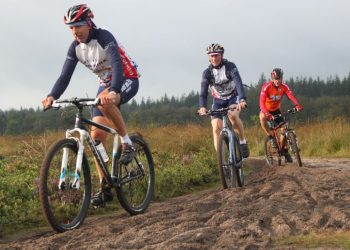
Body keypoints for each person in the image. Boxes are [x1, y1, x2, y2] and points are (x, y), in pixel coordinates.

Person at [41, 4, 140, 206]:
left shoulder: (104, 37)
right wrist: (52, 95)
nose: (75, 31)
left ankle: (127, 143)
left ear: (88, 24)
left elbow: (117, 64)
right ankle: (106, 186)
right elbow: (65, 75)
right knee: (95, 138)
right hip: (105, 85)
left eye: (78, 26)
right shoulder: (75, 47)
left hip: (126, 78)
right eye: (70, 27)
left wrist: (114, 91)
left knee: (105, 103)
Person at [198, 43, 249, 158]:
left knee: (233, 116)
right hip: (218, 101)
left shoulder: (230, 66)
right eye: (211, 56)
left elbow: (238, 82)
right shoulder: (207, 73)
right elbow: (203, 92)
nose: (213, 58)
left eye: (216, 55)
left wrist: (242, 99)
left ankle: (242, 141)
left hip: (233, 97)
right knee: (216, 127)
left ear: (221, 55)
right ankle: (221, 160)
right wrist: (202, 106)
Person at [259, 68, 303, 162]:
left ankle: (285, 150)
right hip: (266, 110)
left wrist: (297, 105)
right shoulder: (266, 87)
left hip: (276, 110)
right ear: (272, 78)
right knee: (262, 118)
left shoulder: (284, 86)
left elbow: (290, 96)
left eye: (279, 78)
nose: (278, 81)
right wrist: (267, 114)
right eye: (276, 79)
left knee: (284, 129)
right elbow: (261, 103)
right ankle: (271, 137)